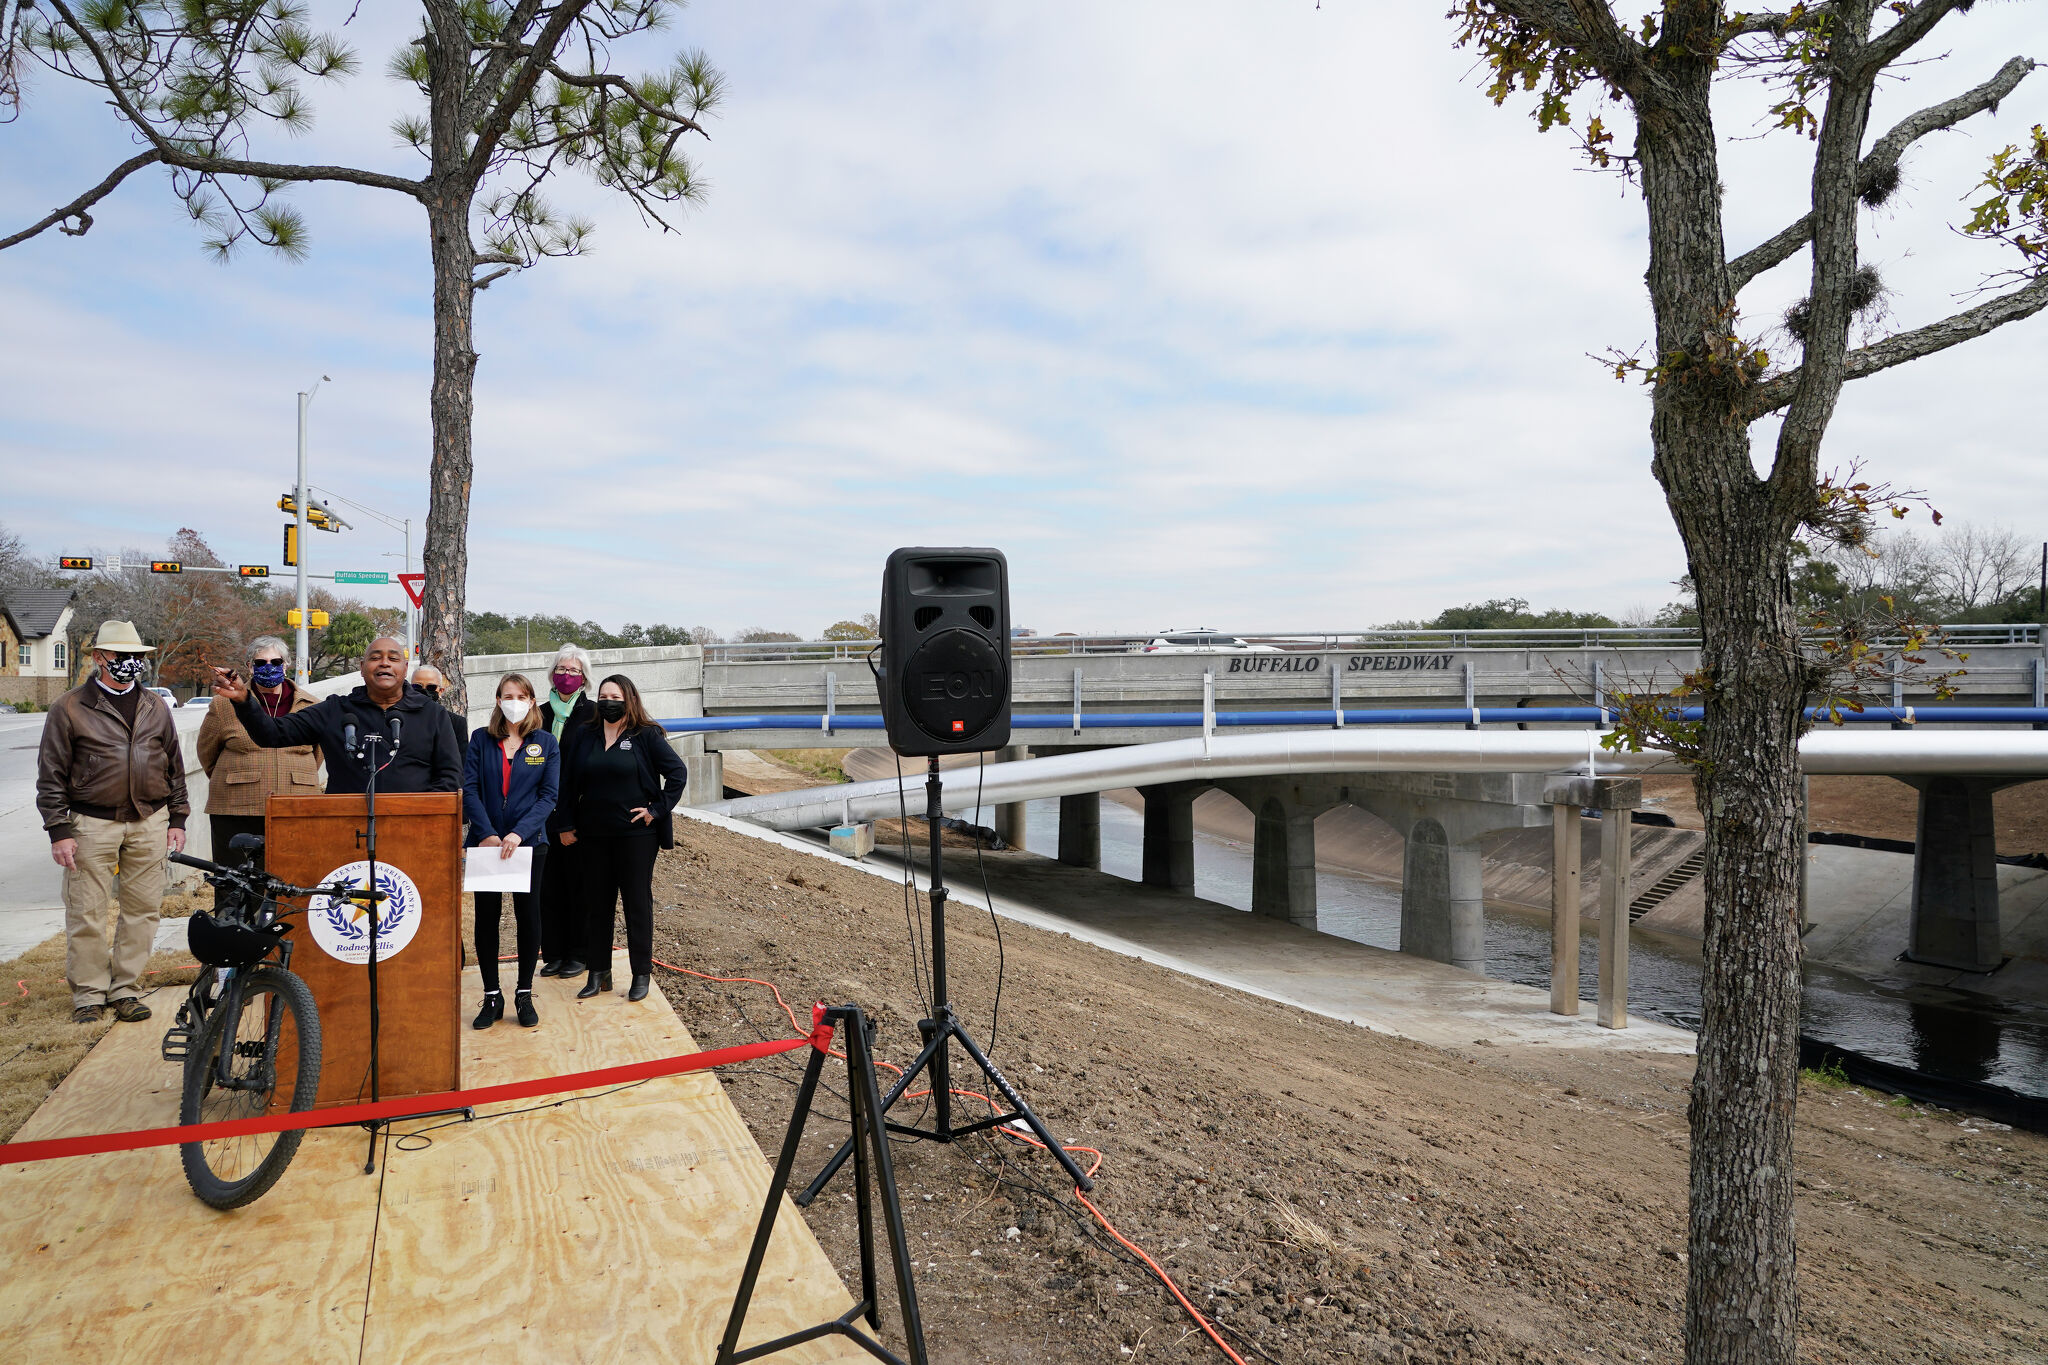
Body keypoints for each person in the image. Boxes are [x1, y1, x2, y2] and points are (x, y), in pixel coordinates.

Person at [36, 621, 189, 1024]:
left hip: (150, 821)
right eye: (121, 657)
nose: (130, 664)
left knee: (143, 910)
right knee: (86, 910)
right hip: (91, 823)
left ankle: (125, 988)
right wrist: (59, 830)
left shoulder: (155, 706)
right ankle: (88, 994)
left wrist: (178, 818)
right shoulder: (69, 707)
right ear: (99, 658)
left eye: (136, 657)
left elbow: (174, 766)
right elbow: (50, 774)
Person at [556, 674, 685, 1003]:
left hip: (636, 837)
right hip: (593, 834)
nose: (608, 701)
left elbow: (677, 773)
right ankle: (599, 973)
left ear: (629, 700)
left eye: (615, 696)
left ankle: (641, 973)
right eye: (603, 695)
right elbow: (569, 783)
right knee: (597, 905)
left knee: (636, 904)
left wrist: (656, 810)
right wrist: (566, 824)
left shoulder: (646, 735)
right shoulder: (586, 734)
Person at [210, 636, 462, 793]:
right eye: (375, 658)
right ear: (362, 669)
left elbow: (451, 777)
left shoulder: (433, 714)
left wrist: (420, 810)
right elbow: (271, 734)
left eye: (392, 658)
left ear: (405, 669)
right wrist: (244, 700)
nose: (384, 663)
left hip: (414, 830)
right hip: (346, 830)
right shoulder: (335, 710)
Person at [463, 673, 559, 1029]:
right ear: (498, 700)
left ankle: (523, 992)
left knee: (528, 917)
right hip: (486, 844)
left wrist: (519, 833)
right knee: (486, 917)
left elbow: (549, 796)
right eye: (507, 695)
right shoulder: (480, 739)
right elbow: (469, 789)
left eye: (521, 695)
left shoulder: (545, 743)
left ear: (532, 701)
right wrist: (486, 832)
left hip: (529, 845)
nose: (514, 701)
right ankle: (491, 995)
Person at [196, 635, 321, 867]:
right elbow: (207, 752)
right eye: (260, 663)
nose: (268, 667)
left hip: (296, 805)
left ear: (287, 664)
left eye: (275, 662)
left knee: (291, 882)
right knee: (236, 885)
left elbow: (317, 755)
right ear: (249, 667)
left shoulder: (311, 705)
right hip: (237, 808)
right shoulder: (223, 704)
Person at [534, 644, 596, 979]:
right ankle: (553, 952)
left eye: (574, 671)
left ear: (583, 677)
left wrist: (570, 820)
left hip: (576, 817)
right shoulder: (538, 713)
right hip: (541, 816)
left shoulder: (593, 715)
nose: (567, 675)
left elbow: (587, 772)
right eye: (562, 669)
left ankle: (579, 952)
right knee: (548, 887)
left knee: (578, 887)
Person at [411, 662, 470, 757]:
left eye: (431, 687)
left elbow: (462, 762)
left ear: (440, 691)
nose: (424, 690)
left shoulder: (457, 723)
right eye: (417, 686)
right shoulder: (398, 719)